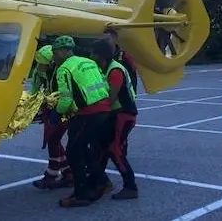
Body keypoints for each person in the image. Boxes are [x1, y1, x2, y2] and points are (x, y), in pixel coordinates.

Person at [51, 35, 112, 208]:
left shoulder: (64, 69)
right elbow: (105, 85)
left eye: (55, 53)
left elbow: (66, 100)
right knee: (85, 149)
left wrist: (56, 113)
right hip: (104, 109)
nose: (54, 56)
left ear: (63, 51)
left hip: (87, 113)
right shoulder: (88, 62)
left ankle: (81, 195)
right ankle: (102, 181)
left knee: (73, 152)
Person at [90, 39, 139, 200]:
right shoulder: (104, 68)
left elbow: (110, 99)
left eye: (93, 53)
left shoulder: (115, 70)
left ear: (100, 55)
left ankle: (130, 187)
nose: (91, 56)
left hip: (123, 114)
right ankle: (100, 182)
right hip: (114, 114)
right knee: (100, 146)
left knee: (114, 150)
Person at [29, 45, 74, 190]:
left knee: (53, 139)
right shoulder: (39, 71)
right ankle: (68, 172)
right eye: (39, 63)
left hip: (63, 109)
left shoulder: (60, 72)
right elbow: (34, 90)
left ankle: (52, 174)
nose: (39, 66)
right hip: (52, 107)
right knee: (54, 140)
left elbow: (66, 96)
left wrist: (57, 113)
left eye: (42, 63)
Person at [103, 27, 140, 94]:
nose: (106, 43)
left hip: (124, 96)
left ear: (115, 39)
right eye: (104, 40)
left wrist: (133, 93)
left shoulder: (125, 56)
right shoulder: (102, 57)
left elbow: (133, 77)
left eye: (108, 39)